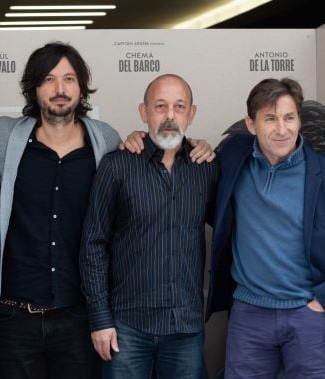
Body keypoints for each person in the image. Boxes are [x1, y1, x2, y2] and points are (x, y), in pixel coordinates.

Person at [0, 42, 213, 379]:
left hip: (78, 317)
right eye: (49, 79)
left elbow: (152, 147)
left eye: (69, 79)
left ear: (81, 87)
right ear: (35, 88)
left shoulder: (103, 139)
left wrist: (183, 142)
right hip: (14, 316)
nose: (60, 89)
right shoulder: (3, 136)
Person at [206, 77, 325, 378]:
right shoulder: (233, 158)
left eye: (289, 117)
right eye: (270, 119)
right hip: (248, 314)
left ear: (299, 121)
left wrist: (324, 300)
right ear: (251, 123)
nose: (281, 129)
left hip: (307, 316)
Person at [80, 74, 218, 379]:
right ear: (144, 112)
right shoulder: (117, 165)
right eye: (160, 106)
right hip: (128, 327)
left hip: (186, 327)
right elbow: (93, 245)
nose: (170, 115)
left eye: (179, 106)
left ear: (191, 113)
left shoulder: (206, 167)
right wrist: (100, 319)